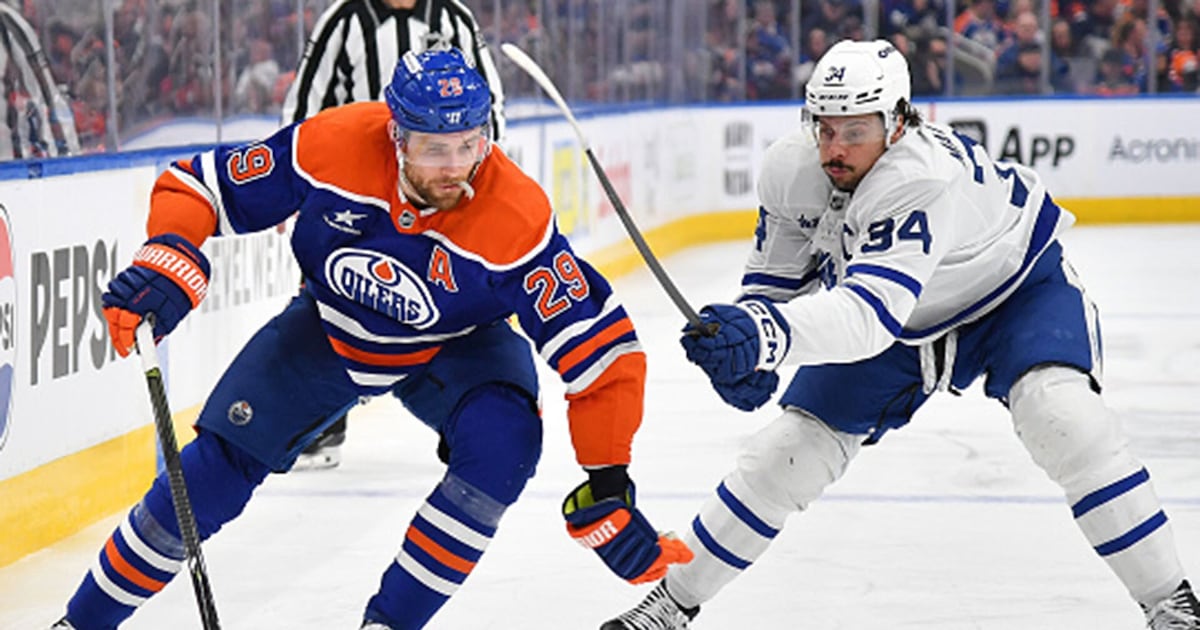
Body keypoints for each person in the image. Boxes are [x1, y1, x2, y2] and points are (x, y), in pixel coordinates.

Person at [49, 48, 691, 630]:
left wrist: (608, 482)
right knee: (210, 473)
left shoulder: (515, 216)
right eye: (434, 148)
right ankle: (81, 624)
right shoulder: (333, 146)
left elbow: (603, 352)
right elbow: (198, 185)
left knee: (504, 445)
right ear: (396, 135)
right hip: (331, 325)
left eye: (470, 144)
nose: (456, 166)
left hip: (456, 344)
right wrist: (169, 251)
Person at [602, 39, 1199, 630]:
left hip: (1012, 293)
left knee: (1064, 419)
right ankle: (669, 605)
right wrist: (748, 345)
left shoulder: (920, 176)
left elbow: (867, 318)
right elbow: (774, 287)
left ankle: (1170, 604)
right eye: (824, 128)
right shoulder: (791, 168)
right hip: (901, 317)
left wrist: (765, 336)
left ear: (898, 123)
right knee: (783, 456)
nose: (835, 149)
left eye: (855, 130)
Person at [282, 0, 506, 470]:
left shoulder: (454, 17)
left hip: (438, 189)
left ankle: (468, 420)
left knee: (456, 301)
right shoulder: (344, 19)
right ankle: (320, 423)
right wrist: (291, 183)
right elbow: (306, 104)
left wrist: (481, 176)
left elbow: (491, 102)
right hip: (357, 193)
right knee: (329, 296)